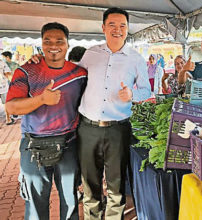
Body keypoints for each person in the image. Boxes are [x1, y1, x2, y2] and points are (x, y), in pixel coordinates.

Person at [5, 22, 87, 219]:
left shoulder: (80, 74)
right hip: (34, 145)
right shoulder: (26, 71)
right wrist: (41, 99)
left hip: (68, 144)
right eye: (47, 41)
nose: (54, 45)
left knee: (70, 201)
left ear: (67, 44)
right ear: (41, 44)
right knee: (35, 204)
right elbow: (11, 107)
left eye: (59, 41)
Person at [76, 8, 151, 219]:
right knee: (90, 185)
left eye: (122, 26)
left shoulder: (135, 59)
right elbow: (76, 79)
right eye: (112, 25)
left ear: (127, 29)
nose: (117, 30)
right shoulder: (91, 53)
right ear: (103, 28)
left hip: (118, 129)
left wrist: (132, 94)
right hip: (88, 128)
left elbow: (146, 90)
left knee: (115, 186)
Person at [0, 59, 13, 125]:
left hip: (3, 86)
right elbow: (8, 73)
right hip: (3, 86)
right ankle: (8, 119)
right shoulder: (2, 63)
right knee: (6, 103)